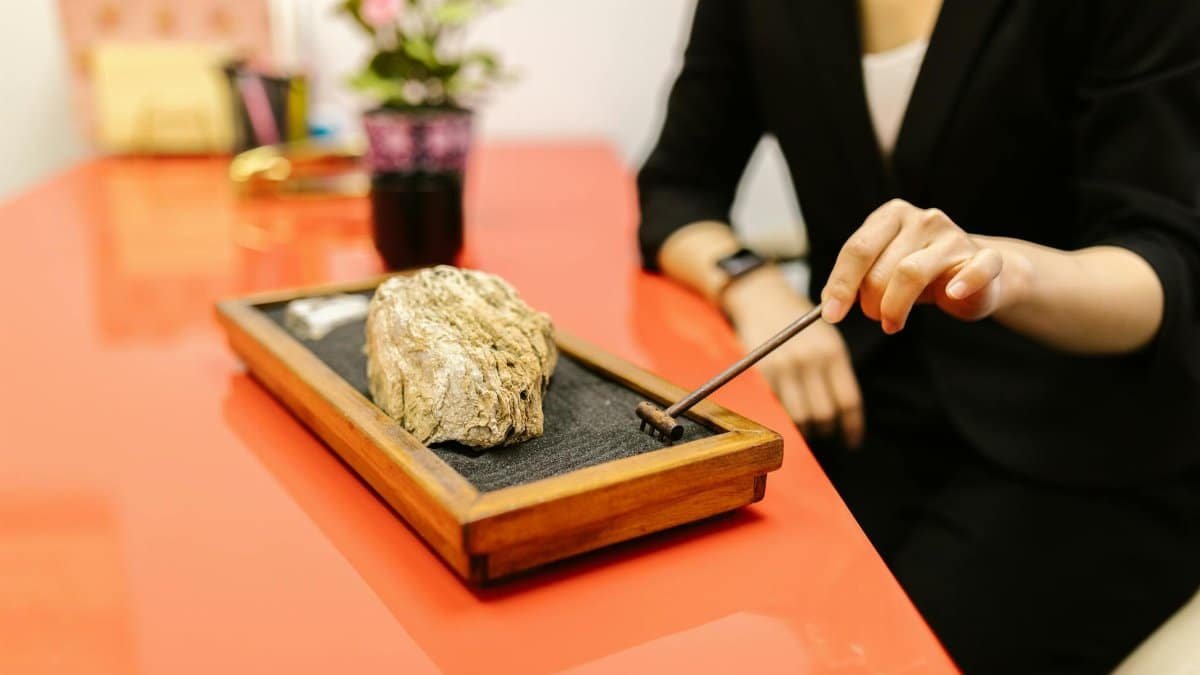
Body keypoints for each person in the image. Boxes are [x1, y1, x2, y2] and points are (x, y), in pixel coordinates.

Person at [636, 1, 1200, 672]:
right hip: (856, 411)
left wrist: (1004, 274)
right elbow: (676, 185)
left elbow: (1168, 264)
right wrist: (751, 284)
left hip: (1086, 442)